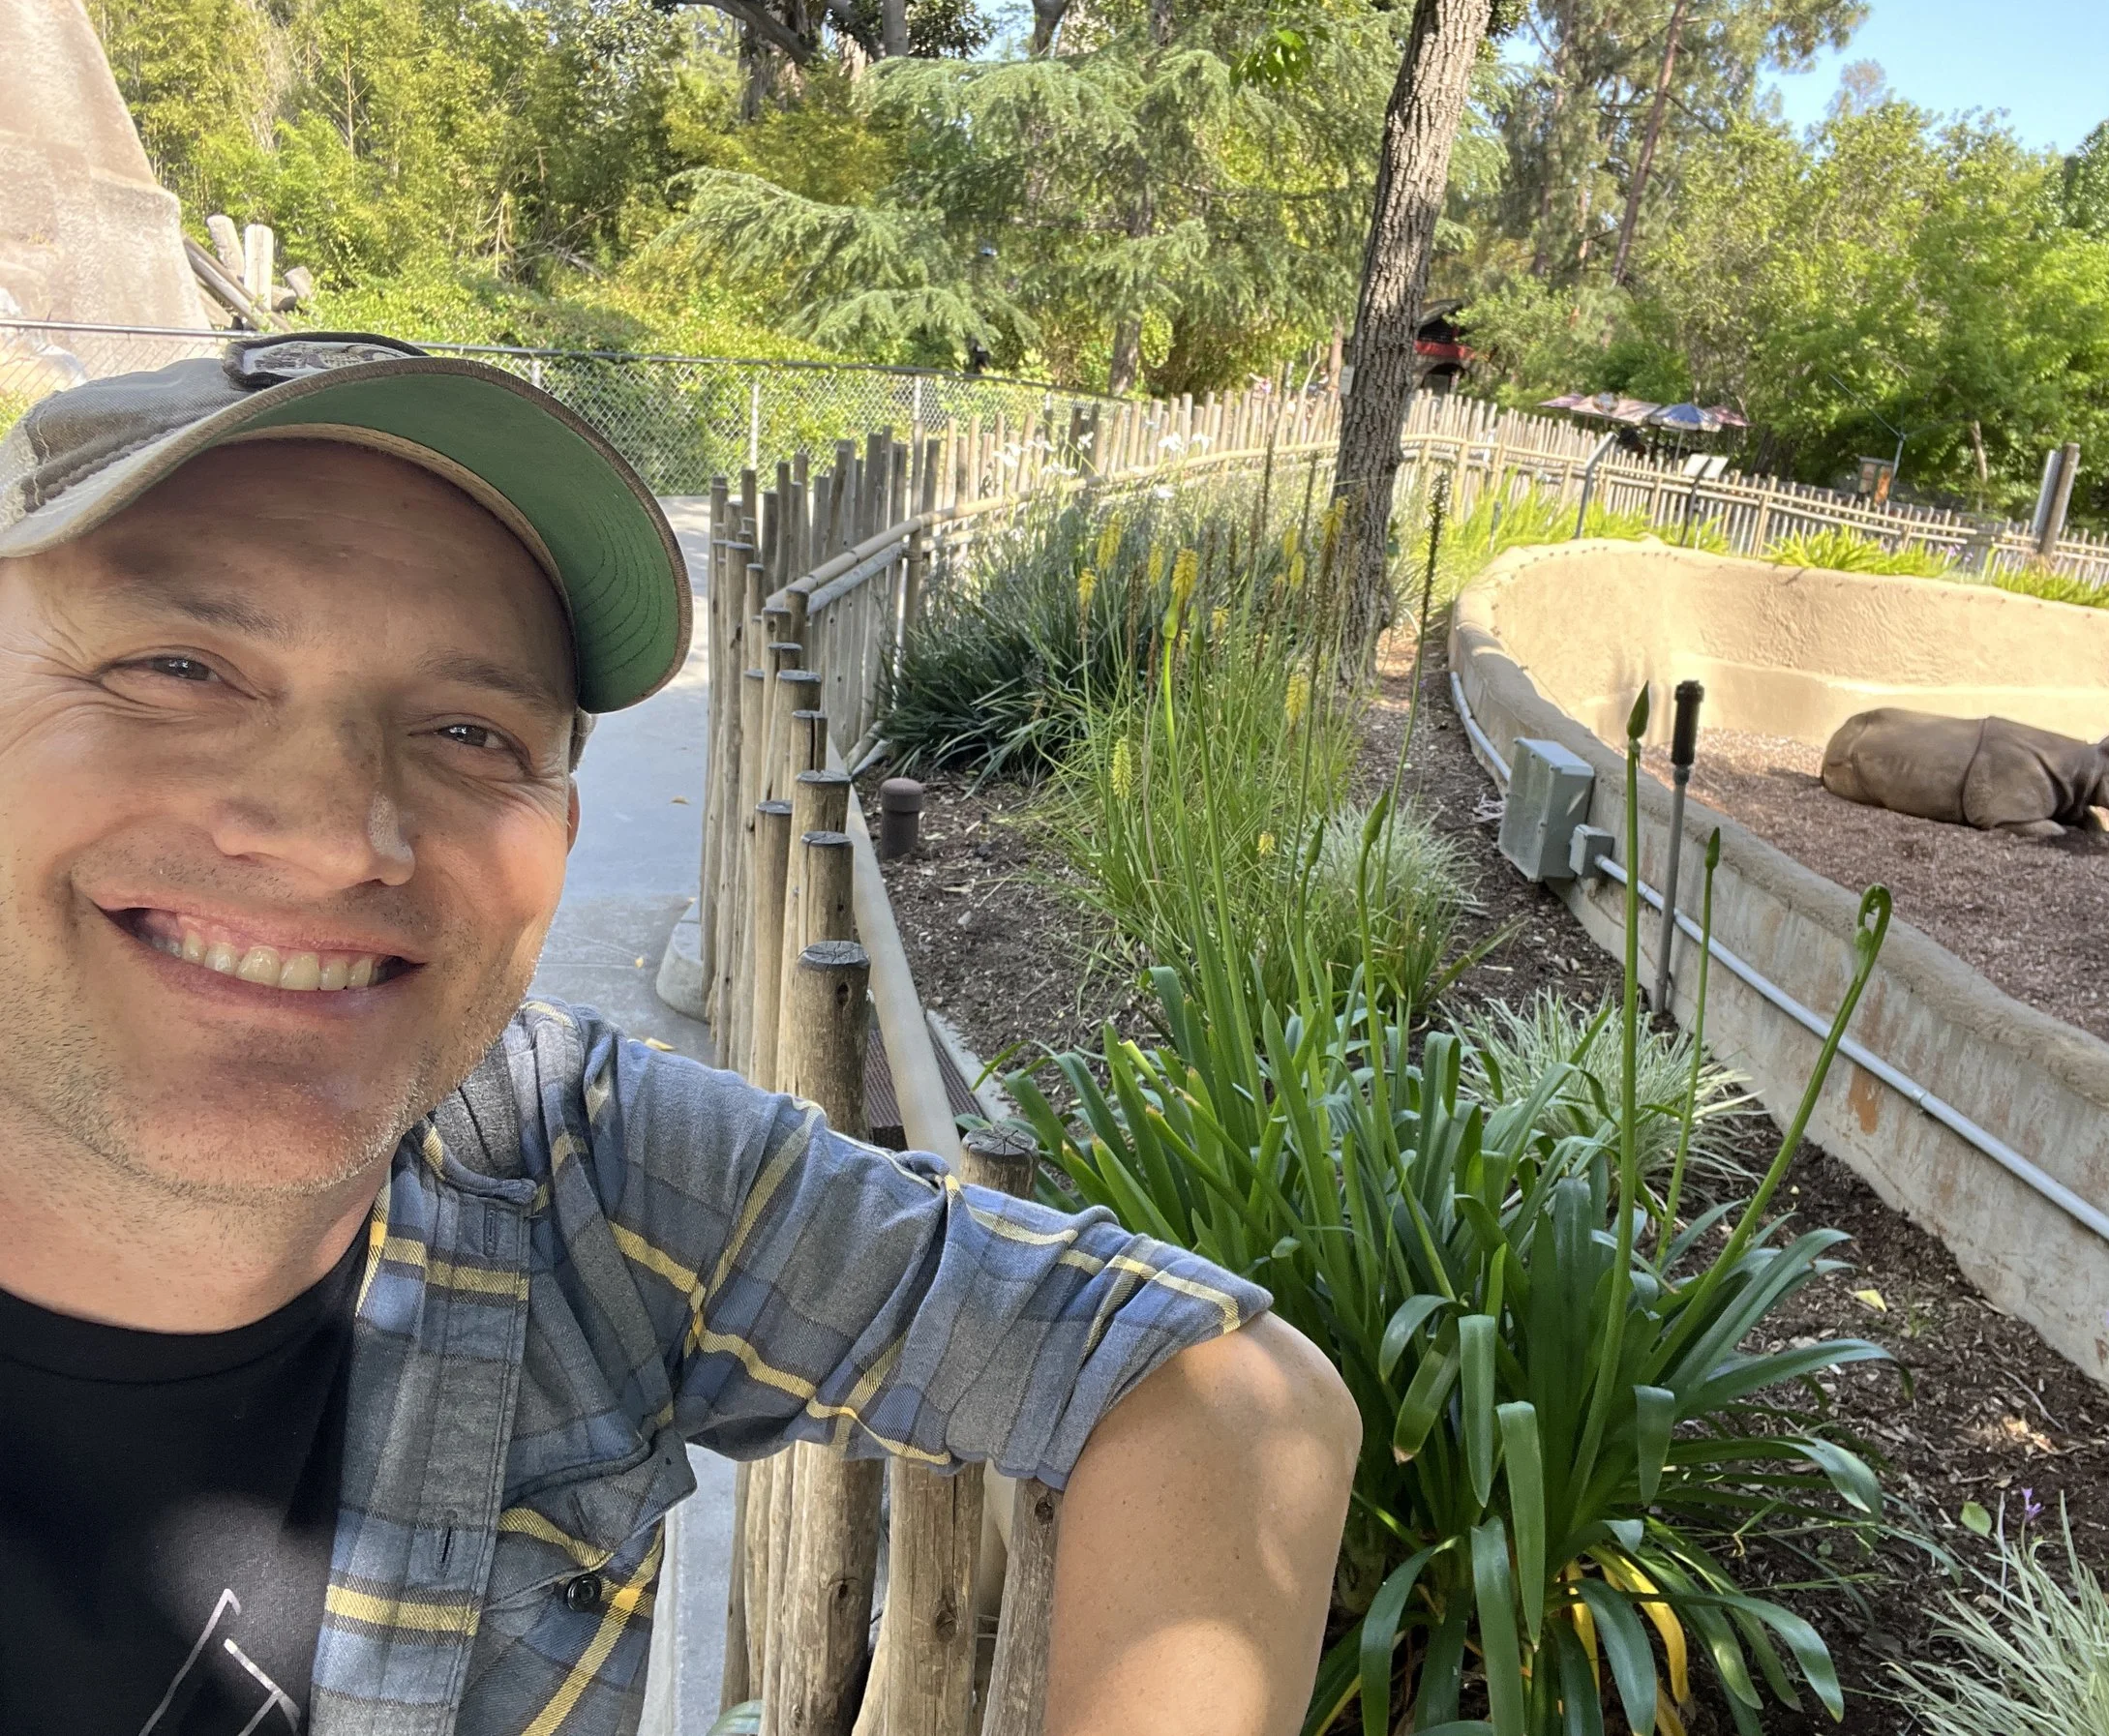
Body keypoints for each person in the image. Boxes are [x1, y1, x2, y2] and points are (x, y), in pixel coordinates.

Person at [0, 334, 1359, 1736]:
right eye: (179, 666)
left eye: (470, 732)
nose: (336, 832)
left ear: (560, 836)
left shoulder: (583, 1168)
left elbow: (1226, 1389)